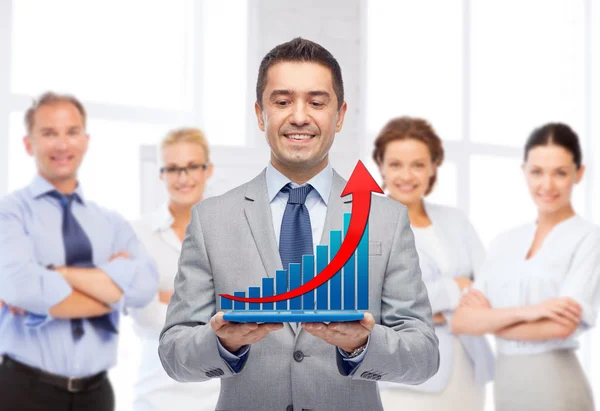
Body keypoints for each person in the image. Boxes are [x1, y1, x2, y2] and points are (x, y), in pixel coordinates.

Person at [158, 37, 439, 411]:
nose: (300, 116)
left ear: (339, 116)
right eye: (283, 101)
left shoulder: (385, 219)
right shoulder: (211, 220)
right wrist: (224, 343)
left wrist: (362, 345)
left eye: (317, 102)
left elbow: (423, 356)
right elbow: (173, 353)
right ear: (260, 114)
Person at [0, 92, 159, 411]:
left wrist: (57, 274)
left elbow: (144, 286)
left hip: (97, 394)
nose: (62, 145)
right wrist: (111, 288)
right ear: (29, 144)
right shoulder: (10, 214)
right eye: (49, 133)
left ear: (85, 141)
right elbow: (21, 287)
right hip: (24, 392)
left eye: (71, 132)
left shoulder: (112, 223)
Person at [452, 122, 599, 411]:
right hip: (507, 387)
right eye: (537, 172)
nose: (547, 185)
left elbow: (561, 326)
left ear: (578, 174)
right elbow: (462, 321)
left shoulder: (588, 238)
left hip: (558, 386)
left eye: (560, 173)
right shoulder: (505, 242)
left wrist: (490, 320)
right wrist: (530, 312)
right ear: (524, 172)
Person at [372, 117, 493, 410]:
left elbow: (488, 285)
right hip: (407, 374)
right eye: (396, 164)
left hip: (467, 369)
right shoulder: (368, 225)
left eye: (418, 164)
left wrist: (430, 308)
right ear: (382, 167)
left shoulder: (455, 220)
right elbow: (376, 303)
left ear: (433, 167)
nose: (407, 175)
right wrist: (454, 290)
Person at [130, 128, 219, 411]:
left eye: (192, 166)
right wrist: (209, 301)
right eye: (173, 169)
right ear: (161, 174)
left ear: (208, 170)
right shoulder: (139, 233)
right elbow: (143, 314)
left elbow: (245, 306)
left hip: (219, 389)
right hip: (157, 393)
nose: (183, 178)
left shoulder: (231, 228)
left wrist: (169, 297)